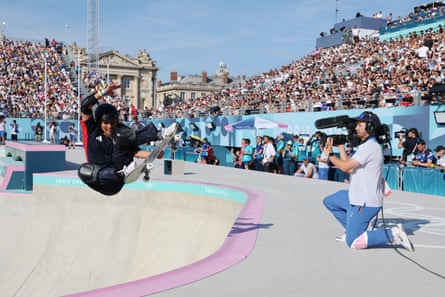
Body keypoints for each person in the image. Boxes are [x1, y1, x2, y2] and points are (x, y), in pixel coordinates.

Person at [322, 111, 414, 251]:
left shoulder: (370, 147)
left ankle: (393, 233)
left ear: (370, 128)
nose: (356, 128)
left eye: (360, 125)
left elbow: (346, 167)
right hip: (356, 196)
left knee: (352, 242)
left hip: (365, 202)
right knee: (330, 201)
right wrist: (340, 146)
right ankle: (351, 229)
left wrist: (330, 154)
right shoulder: (366, 146)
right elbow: (349, 163)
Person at [77, 81, 172, 196]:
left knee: (123, 135)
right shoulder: (91, 128)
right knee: (83, 170)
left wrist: (152, 154)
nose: (110, 127)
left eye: (112, 123)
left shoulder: (119, 131)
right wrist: (104, 92)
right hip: (100, 181)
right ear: (99, 123)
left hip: (118, 181)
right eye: (106, 123)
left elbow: (134, 151)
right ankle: (122, 172)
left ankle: (159, 134)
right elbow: (85, 105)